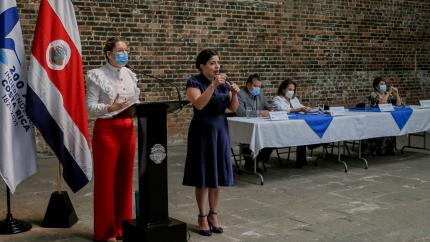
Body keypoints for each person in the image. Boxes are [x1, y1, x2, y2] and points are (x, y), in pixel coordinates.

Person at [86, 38, 140, 242]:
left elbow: (135, 100)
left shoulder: (130, 74)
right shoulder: (96, 75)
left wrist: (136, 107)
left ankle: (122, 227)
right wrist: (110, 108)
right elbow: (89, 108)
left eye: (126, 50)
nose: (124, 53)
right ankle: (106, 232)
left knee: (125, 181)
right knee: (106, 183)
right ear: (108, 53)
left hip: (128, 130)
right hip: (107, 131)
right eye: (119, 50)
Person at [182, 49, 240, 236]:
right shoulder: (194, 81)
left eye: (218, 62)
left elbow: (233, 107)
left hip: (220, 129)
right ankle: (202, 216)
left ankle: (213, 215)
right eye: (212, 63)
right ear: (202, 66)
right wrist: (213, 86)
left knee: (217, 175)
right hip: (202, 130)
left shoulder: (225, 82)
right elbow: (198, 104)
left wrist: (235, 93)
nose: (217, 66)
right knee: (204, 176)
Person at [273, 79, 317, 168]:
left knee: (306, 132)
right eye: (289, 89)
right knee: (302, 134)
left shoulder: (294, 99)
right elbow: (282, 110)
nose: (291, 92)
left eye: (293, 90)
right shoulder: (277, 99)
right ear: (283, 89)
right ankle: (304, 156)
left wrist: (308, 108)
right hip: (284, 126)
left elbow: (301, 107)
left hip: (297, 125)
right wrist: (298, 109)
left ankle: (301, 160)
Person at [236, 74, 273, 172]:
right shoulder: (240, 93)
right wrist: (260, 113)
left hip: (260, 125)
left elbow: (268, 106)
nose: (258, 89)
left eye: (259, 87)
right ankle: (251, 163)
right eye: (255, 86)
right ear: (248, 85)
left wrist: (274, 111)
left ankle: (257, 161)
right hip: (244, 126)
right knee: (248, 138)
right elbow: (241, 112)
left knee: (272, 137)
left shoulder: (260, 93)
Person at [364, 77, 400, 155]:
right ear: (376, 86)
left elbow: (398, 104)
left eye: (384, 84)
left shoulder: (387, 94)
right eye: (382, 84)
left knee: (393, 126)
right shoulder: (373, 94)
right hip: (375, 120)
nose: (384, 86)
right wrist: (388, 93)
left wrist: (397, 94)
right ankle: (378, 149)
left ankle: (388, 149)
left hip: (387, 118)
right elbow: (381, 104)